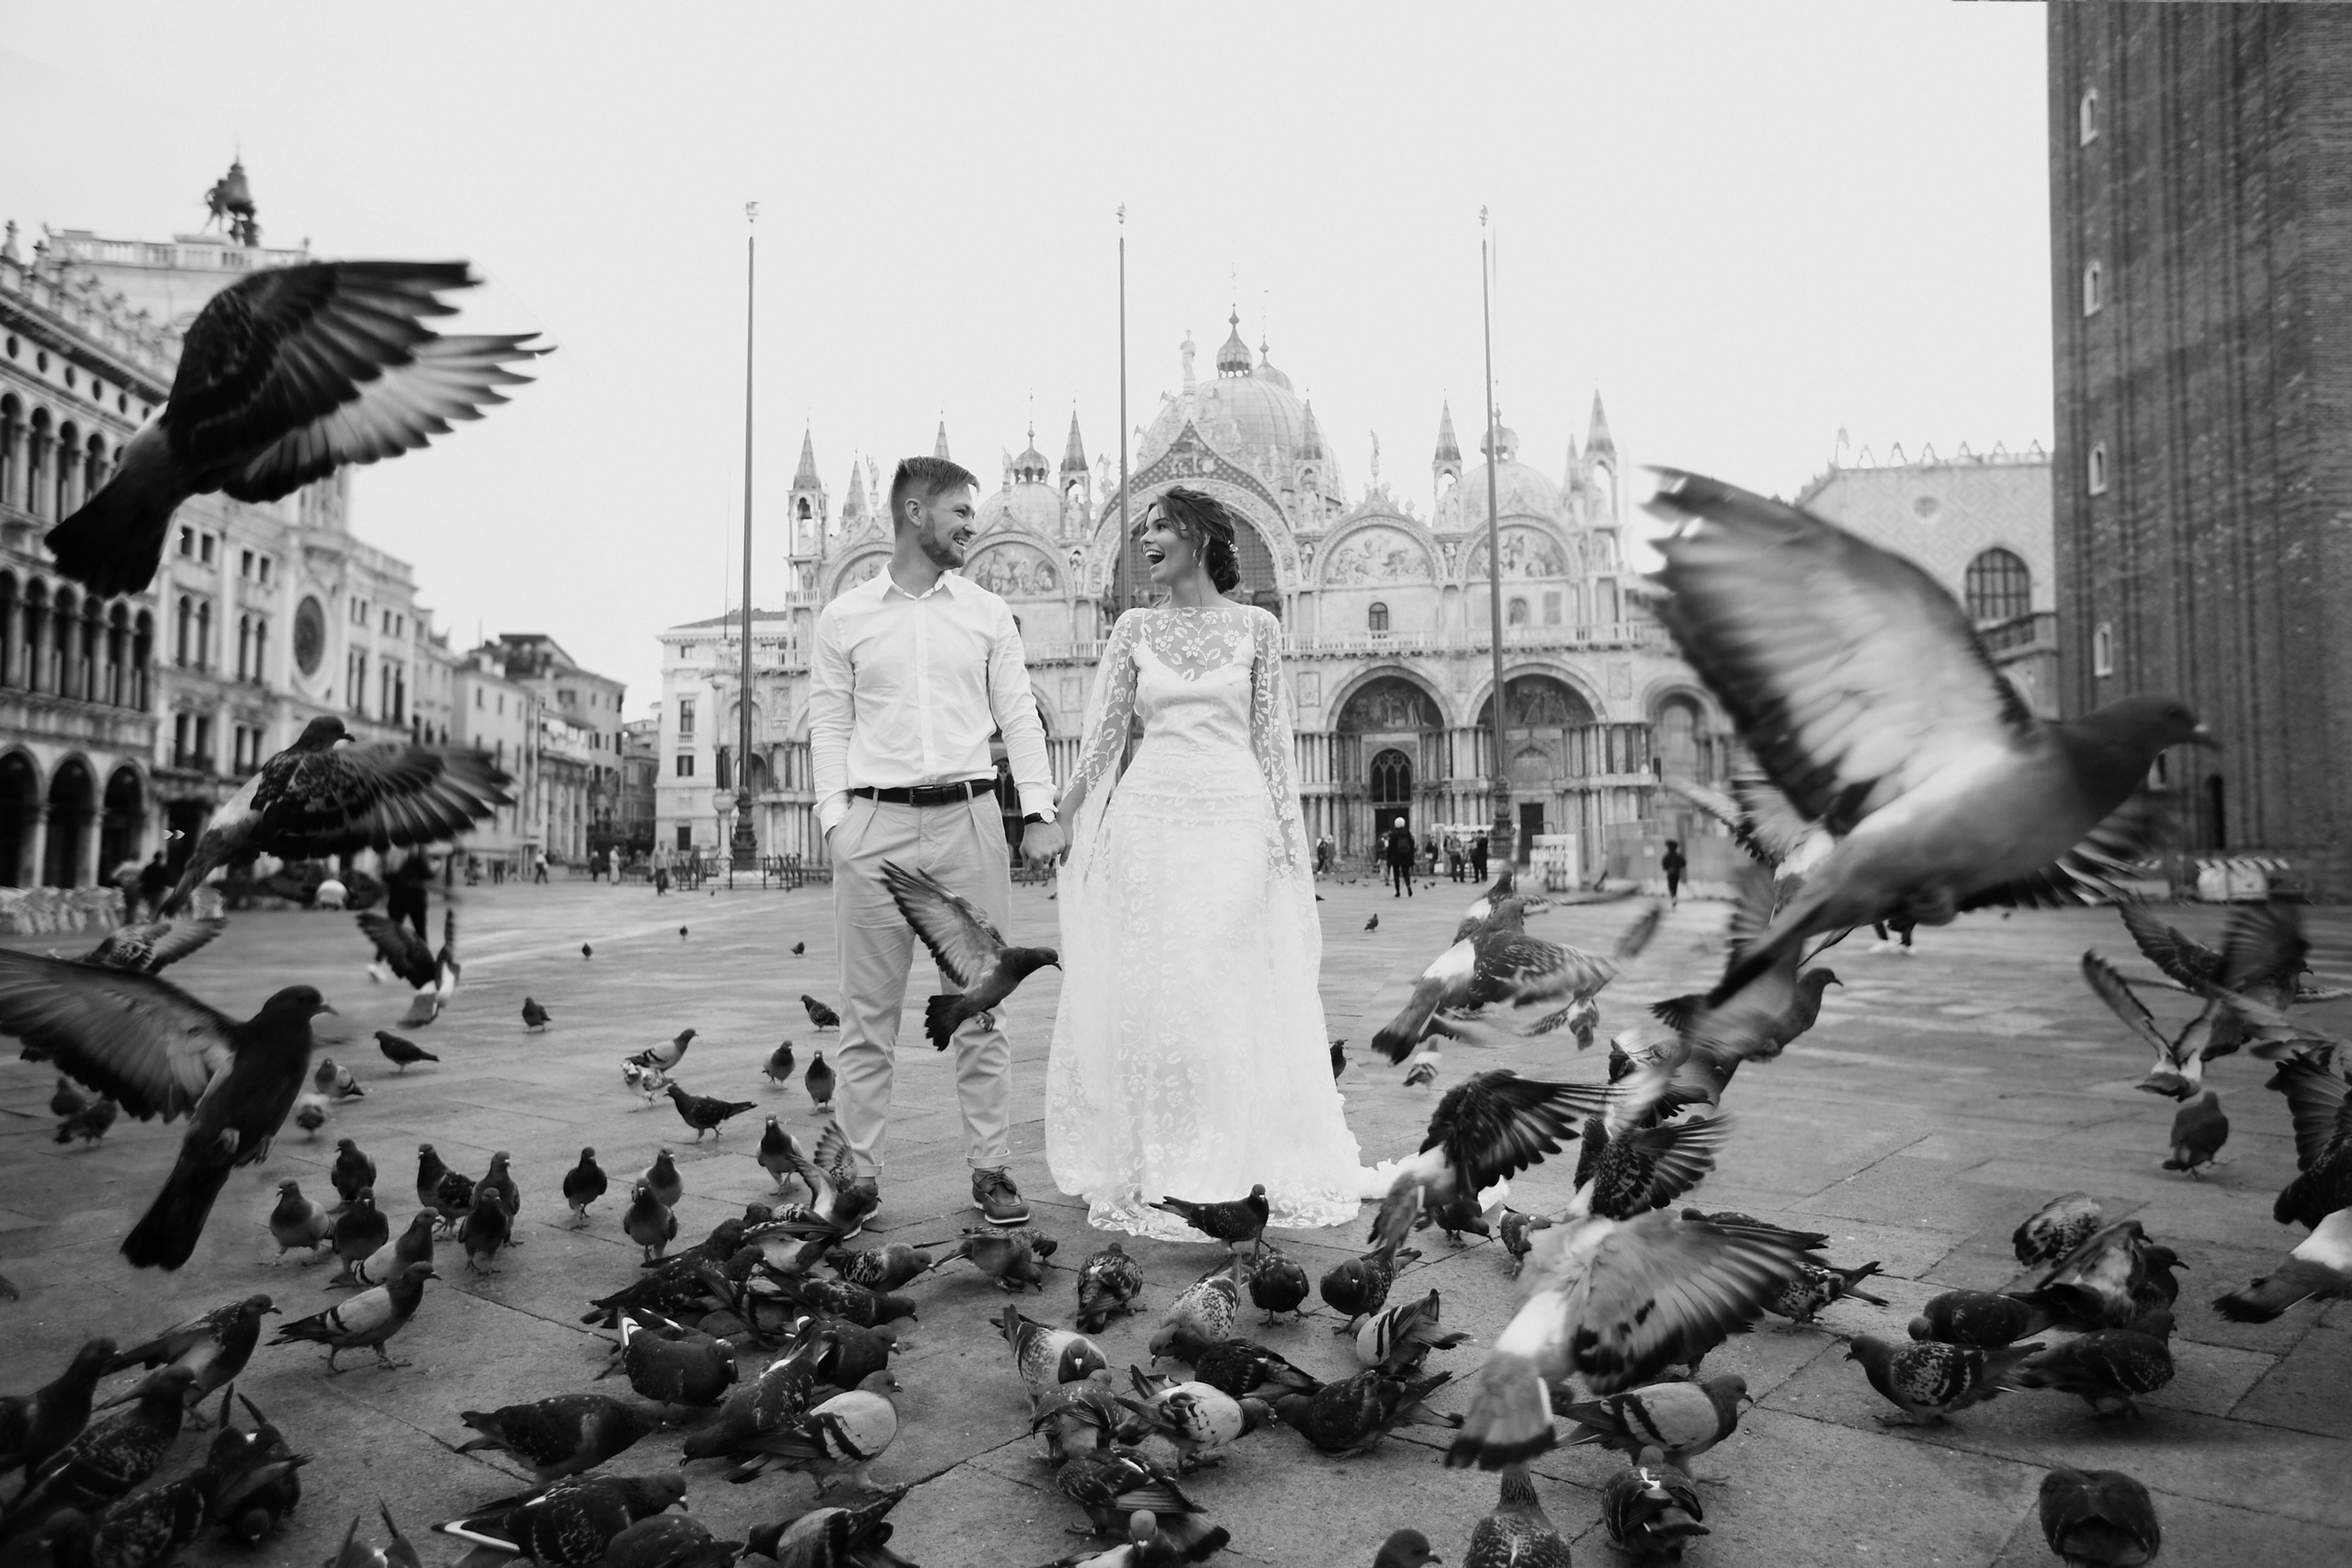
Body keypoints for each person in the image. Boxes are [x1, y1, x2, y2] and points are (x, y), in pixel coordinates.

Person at [1047, 486, 1376, 1239]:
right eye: (1143, 529)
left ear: (1200, 537)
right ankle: (1163, 1156)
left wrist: (1289, 848)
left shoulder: (1259, 628)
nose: (1146, 541)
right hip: (1149, 819)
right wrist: (1060, 817)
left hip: (1232, 816)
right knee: (1160, 987)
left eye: (1161, 527)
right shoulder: (1132, 628)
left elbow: (1271, 745)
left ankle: (1231, 1156)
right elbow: (1102, 740)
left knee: (1218, 982)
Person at [810, 455, 1062, 1228]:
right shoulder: (844, 616)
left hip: (970, 817)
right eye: (959, 512)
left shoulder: (987, 612)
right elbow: (829, 721)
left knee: (984, 1007)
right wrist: (836, 823)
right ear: (915, 512)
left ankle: (991, 1171)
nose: (971, 525)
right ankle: (856, 1177)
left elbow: (1018, 713)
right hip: (874, 826)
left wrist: (1040, 809)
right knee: (865, 1018)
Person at [385, 851, 432, 942]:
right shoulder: (419, 851)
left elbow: (385, 875)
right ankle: (423, 954)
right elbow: (426, 874)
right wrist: (436, 867)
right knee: (420, 930)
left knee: (394, 928)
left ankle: (382, 953)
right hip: (416, 895)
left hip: (397, 894)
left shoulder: (392, 851)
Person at [134, 851, 171, 923]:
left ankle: (150, 920)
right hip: (158, 891)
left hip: (147, 890)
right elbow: (167, 880)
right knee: (156, 907)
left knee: (150, 906)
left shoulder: (148, 868)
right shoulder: (163, 868)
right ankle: (151, 921)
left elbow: (142, 879)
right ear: (162, 858)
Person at [1384, 821, 1416, 897]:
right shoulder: (1408, 834)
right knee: (1406, 873)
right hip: (1406, 856)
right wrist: (1411, 855)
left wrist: (1388, 856)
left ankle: (1398, 891)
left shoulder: (1393, 835)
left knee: (1396, 874)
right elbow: (1412, 845)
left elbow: (1390, 847)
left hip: (1396, 857)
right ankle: (1408, 886)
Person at [1662, 839, 1686, 906]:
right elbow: (1683, 863)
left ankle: (1673, 896)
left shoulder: (1667, 856)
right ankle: (1674, 896)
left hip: (1670, 873)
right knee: (1675, 886)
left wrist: (1669, 868)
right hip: (1676, 873)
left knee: (1670, 886)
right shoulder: (1678, 856)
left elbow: (1664, 865)